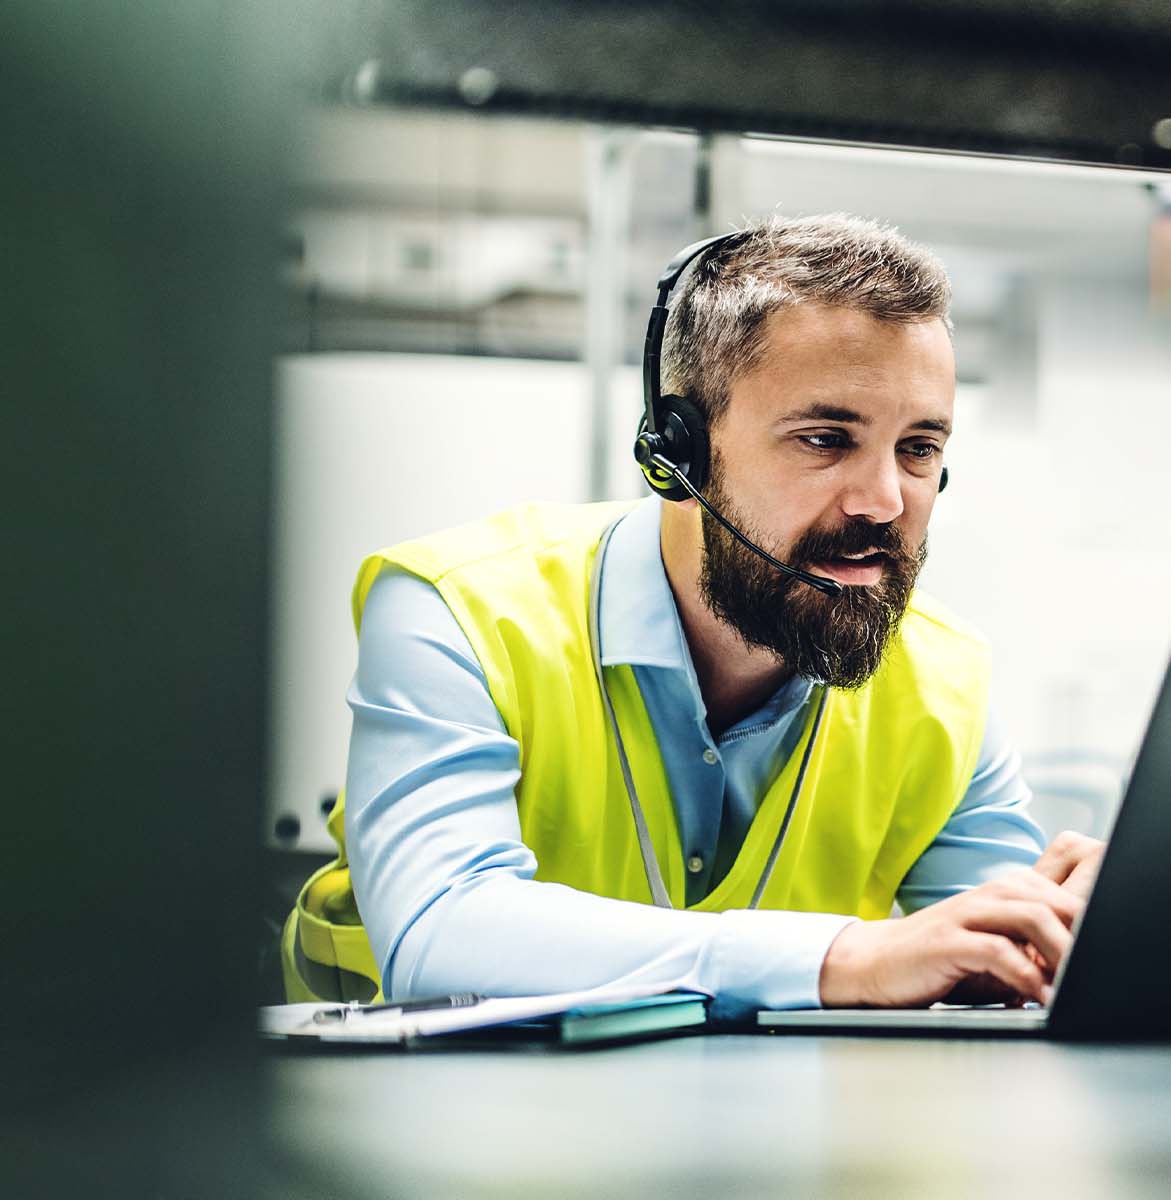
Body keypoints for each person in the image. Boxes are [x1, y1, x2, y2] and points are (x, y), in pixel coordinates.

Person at [281, 214, 1102, 1015]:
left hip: (766, 1141)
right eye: (824, 439)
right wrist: (838, 957)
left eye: (919, 448)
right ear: (677, 452)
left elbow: (994, 956)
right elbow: (436, 931)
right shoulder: (459, 611)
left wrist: (1086, 931)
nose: (885, 500)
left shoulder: (941, 683)